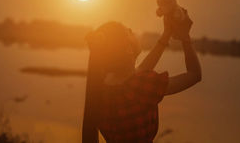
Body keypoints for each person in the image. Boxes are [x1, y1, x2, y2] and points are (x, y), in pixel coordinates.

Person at [82, 8, 202, 143]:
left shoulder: (104, 84)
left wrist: (166, 34)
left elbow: (141, 70)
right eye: (129, 32)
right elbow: (194, 75)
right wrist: (185, 37)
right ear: (128, 48)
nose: (133, 32)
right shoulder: (142, 85)